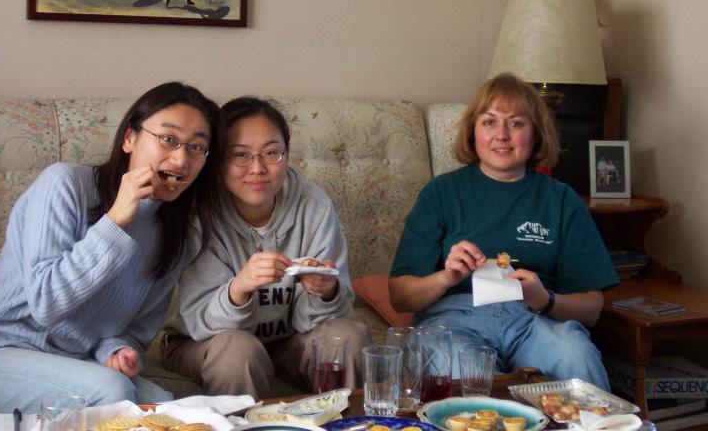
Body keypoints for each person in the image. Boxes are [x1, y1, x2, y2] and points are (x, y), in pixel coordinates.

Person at [0, 82, 225, 413]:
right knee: (111, 391)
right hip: (1, 350)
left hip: (74, 363)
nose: (181, 158)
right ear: (129, 138)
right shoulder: (65, 184)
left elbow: (136, 333)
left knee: (171, 409)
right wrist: (115, 221)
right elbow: (46, 302)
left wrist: (116, 351)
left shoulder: (176, 234)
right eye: (168, 139)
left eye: (197, 147)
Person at [389, 73, 619, 390]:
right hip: (455, 321)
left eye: (516, 123)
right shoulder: (440, 193)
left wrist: (545, 299)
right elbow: (400, 297)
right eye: (489, 122)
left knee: (575, 353)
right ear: (473, 131)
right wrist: (446, 277)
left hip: (534, 320)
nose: (502, 135)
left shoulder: (561, 199)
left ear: (536, 133)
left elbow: (592, 308)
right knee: (465, 377)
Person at [162, 97, 371, 398]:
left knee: (347, 336)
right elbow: (200, 322)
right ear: (217, 159)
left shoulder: (313, 206)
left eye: (272, 153)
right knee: (239, 350)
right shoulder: (199, 215)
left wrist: (325, 293)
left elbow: (328, 317)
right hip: (203, 342)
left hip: (288, 342)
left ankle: (346, 420)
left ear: (287, 153)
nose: (258, 168)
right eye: (240, 155)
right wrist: (239, 289)